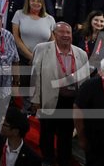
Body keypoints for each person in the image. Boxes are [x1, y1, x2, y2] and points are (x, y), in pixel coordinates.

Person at [30, 22, 89, 166]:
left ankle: (64, 159)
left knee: (66, 133)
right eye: (61, 32)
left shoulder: (81, 53)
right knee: (47, 131)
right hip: (49, 98)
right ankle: (47, 158)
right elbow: (35, 76)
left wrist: (83, 103)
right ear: (54, 34)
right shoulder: (42, 49)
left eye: (68, 33)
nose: (65, 35)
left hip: (71, 100)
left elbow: (86, 80)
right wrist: (35, 99)